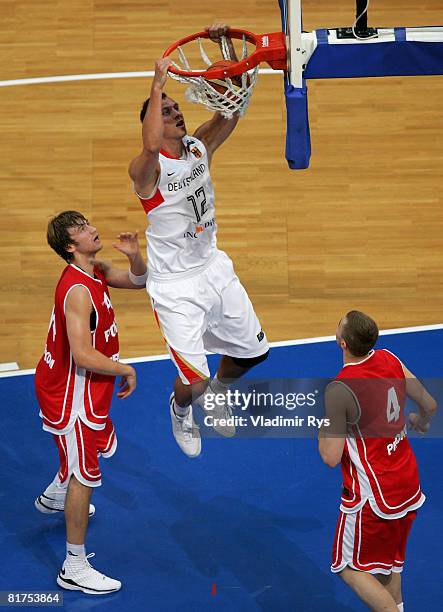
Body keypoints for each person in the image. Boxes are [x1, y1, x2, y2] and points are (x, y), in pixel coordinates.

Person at [128, 24, 269, 458]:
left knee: (252, 354)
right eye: (166, 111)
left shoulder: (198, 147)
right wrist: (157, 86)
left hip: (212, 267)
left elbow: (231, 109)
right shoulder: (146, 173)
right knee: (193, 381)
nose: (176, 113)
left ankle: (219, 391)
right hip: (175, 287)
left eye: (175, 108)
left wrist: (231, 54)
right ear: (153, 120)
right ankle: (180, 408)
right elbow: (151, 145)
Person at [34, 211, 147, 594]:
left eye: (87, 223)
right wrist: (124, 369)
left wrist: (134, 255)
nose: (92, 229)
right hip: (72, 394)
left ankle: (55, 495)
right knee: (86, 474)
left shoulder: (95, 269)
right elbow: (82, 354)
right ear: (70, 246)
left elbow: (139, 280)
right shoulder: (78, 291)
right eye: (81, 229)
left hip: (80, 387)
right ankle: (74, 565)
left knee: (81, 456)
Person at [319, 310, 437, 612]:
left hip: (374, 497)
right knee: (388, 566)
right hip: (407, 484)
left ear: (342, 343)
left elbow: (330, 457)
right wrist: (419, 420)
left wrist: (324, 425)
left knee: (348, 567)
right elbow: (429, 404)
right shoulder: (390, 359)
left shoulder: (340, 389)